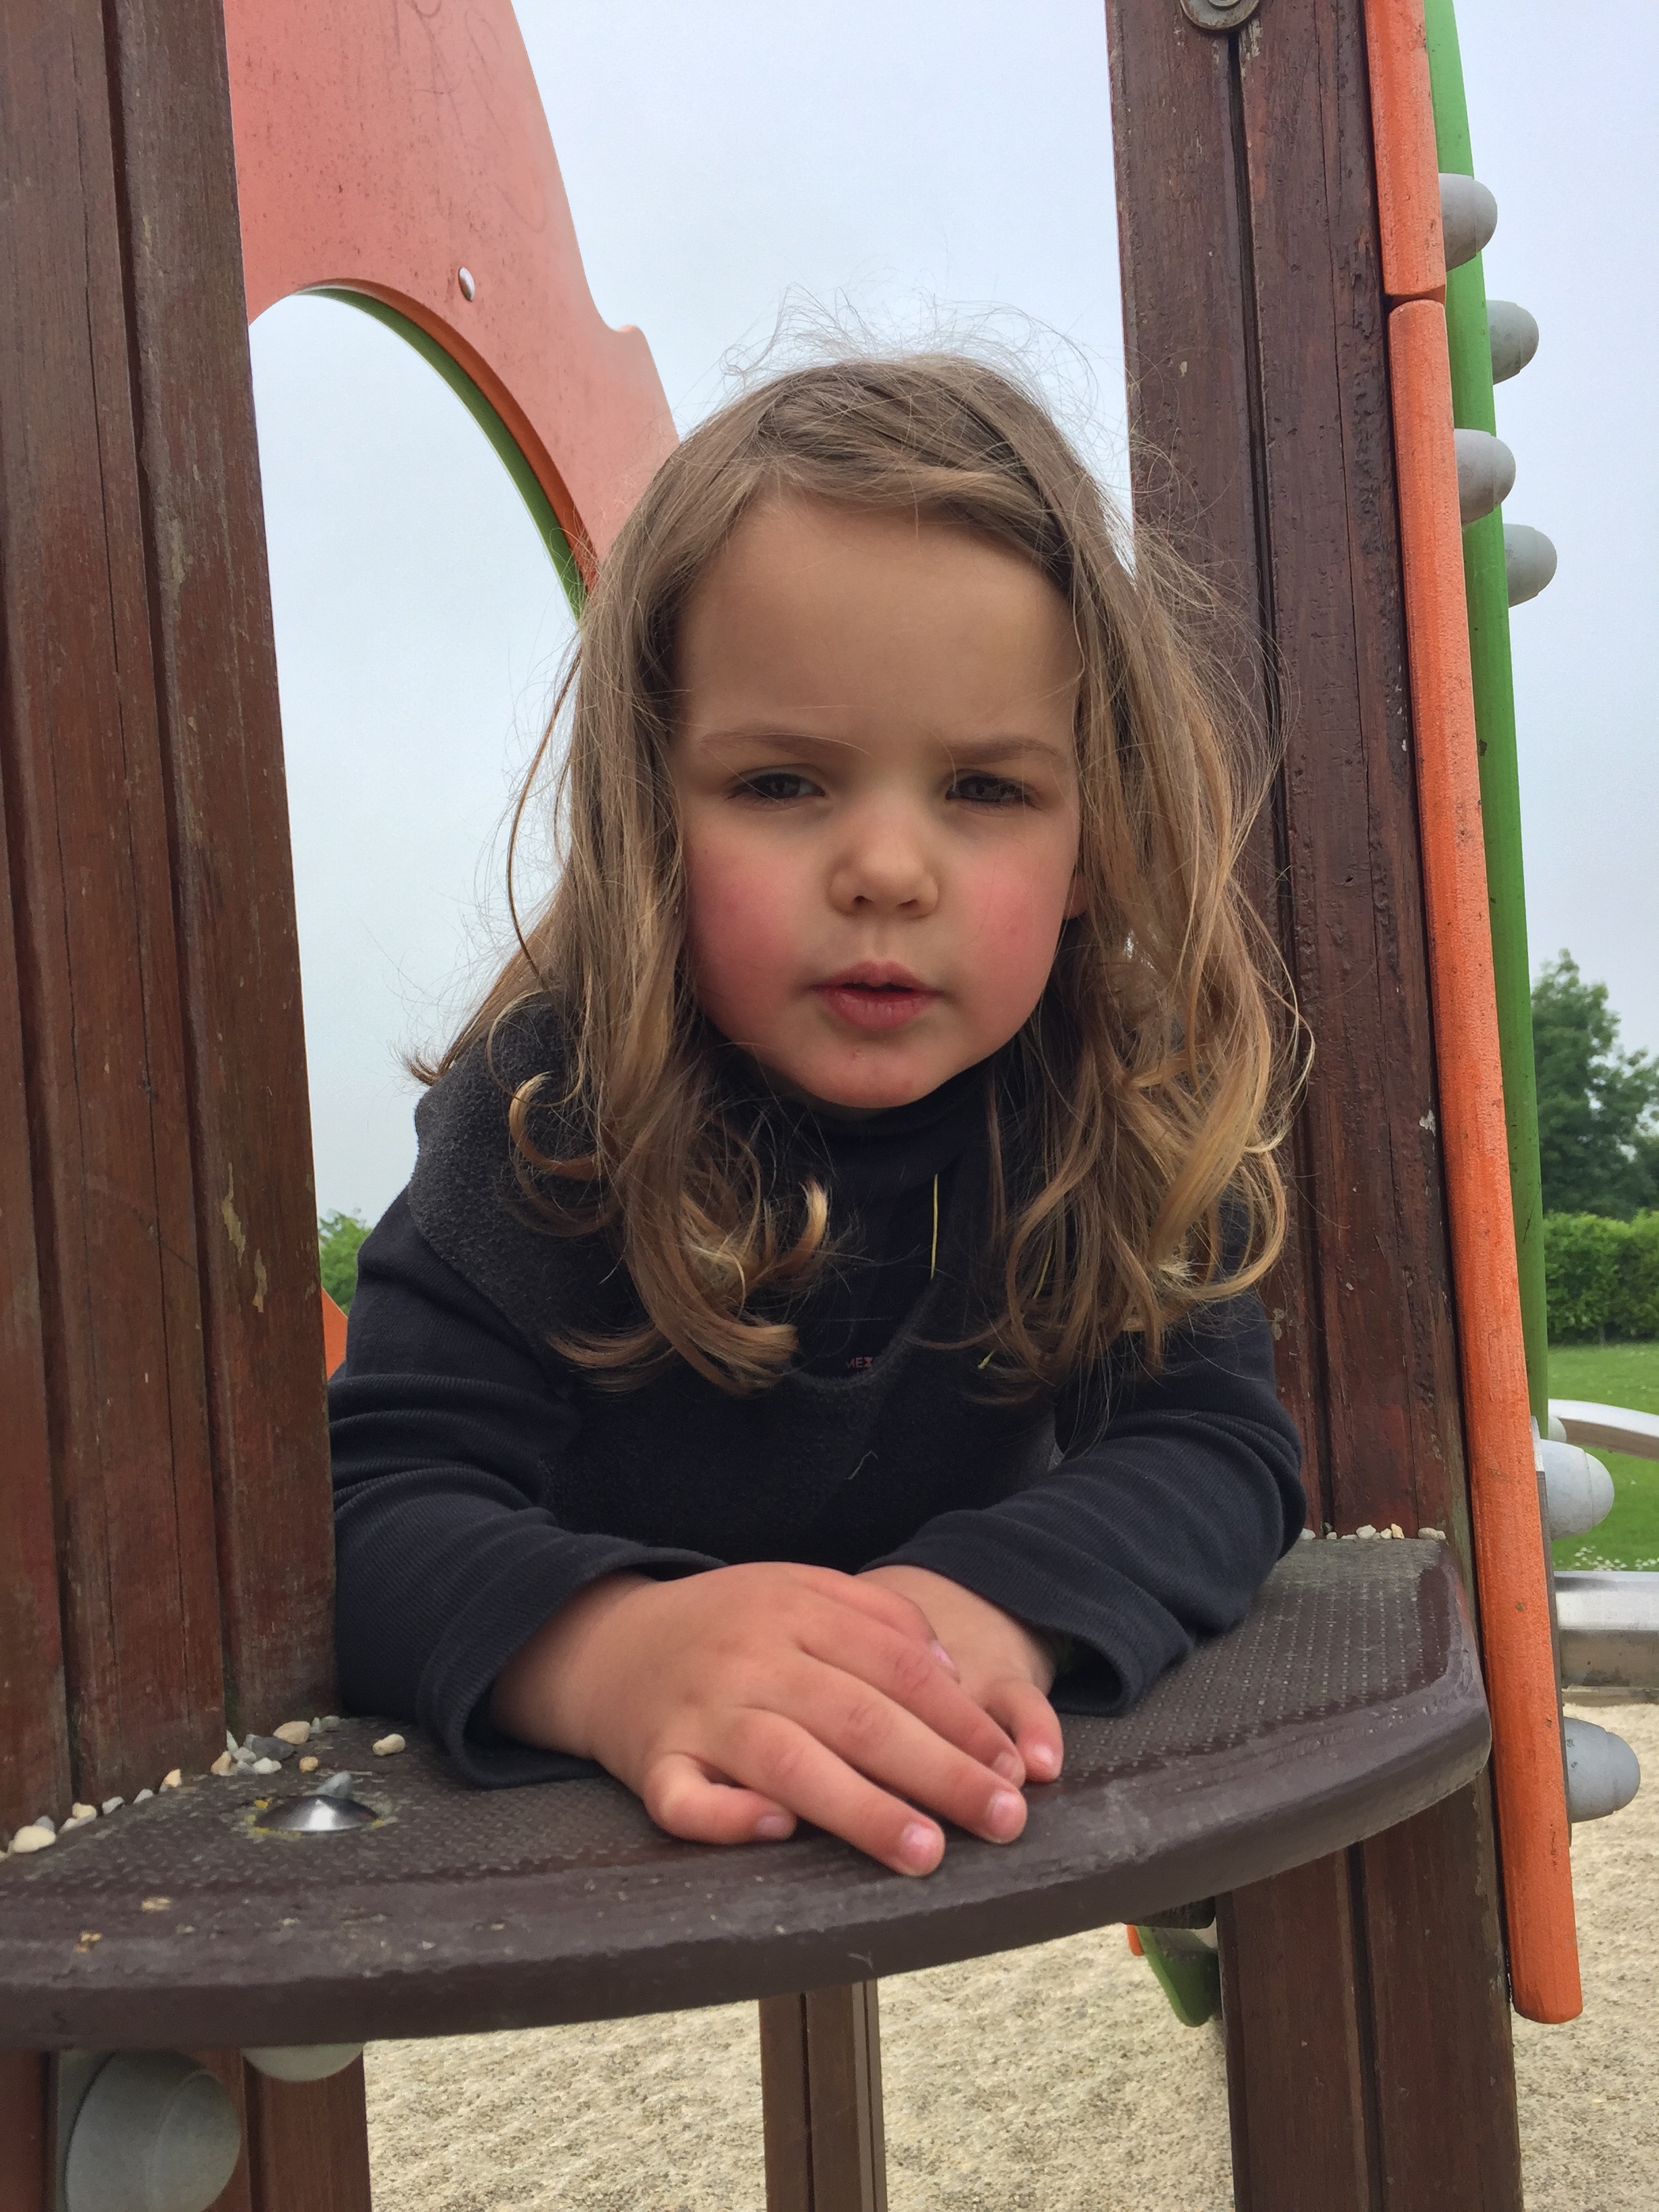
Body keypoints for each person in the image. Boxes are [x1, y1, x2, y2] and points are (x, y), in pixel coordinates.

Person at [331, 356, 1305, 1880]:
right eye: (784, 783)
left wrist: (988, 1606)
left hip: (943, 1694)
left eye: (986, 789)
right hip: (607, 1777)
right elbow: (374, 1502)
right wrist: (611, 1653)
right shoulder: (544, 1117)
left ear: (1097, 837)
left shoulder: (1116, 1110)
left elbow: (1214, 1442)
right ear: (652, 820)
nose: (887, 872)